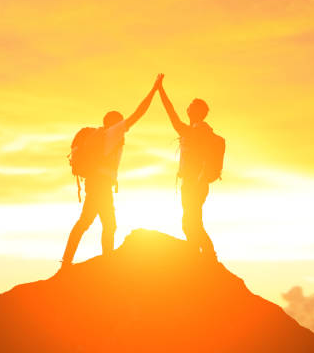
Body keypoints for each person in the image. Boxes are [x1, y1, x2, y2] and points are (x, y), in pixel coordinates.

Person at [60, 74, 163, 271]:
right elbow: (138, 113)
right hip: (100, 184)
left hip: (96, 182)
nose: (125, 127)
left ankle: (73, 262)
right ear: (115, 123)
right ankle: (100, 263)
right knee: (98, 223)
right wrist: (154, 90)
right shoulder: (112, 133)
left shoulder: (102, 135)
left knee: (96, 222)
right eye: (121, 123)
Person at [156, 74, 218, 260]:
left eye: (191, 107)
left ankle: (208, 258)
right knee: (190, 222)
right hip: (193, 182)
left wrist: (160, 90)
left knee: (192, 223)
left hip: (195, 183)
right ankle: (200, 256)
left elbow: (172, 114)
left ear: (196, 112)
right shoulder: (198, 130)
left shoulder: (197, 131)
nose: (187, 108)